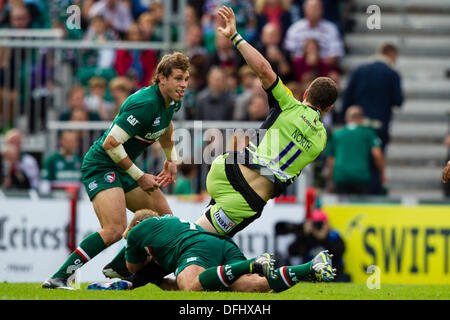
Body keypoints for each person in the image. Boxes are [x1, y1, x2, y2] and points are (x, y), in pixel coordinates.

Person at [42, 52, 191, 289]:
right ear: (161, 78)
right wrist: (140, 176)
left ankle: (118, 268)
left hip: (123, 164)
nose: (184, 85)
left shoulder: (172, 100)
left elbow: (165, 125)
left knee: (167, 222)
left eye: (186, 79)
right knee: (114, 229)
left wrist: (171, 159)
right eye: (178, 78)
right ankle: (59, 277)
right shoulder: (145, 103)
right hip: (101, 164)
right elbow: (110, 143)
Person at [194, 6, 338, 237]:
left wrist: (234, 36)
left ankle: (143, 263)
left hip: (227, 169)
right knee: (202, 241)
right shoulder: (321, 139)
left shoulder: (289, 104)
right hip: (250, 197)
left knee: (202, 235)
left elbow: (263, 68)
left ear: (306, 92)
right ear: (329, 108)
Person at [87, 209, 335, 292]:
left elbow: (132, 268)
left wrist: (130, 240)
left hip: (196, 248)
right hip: (219, 243)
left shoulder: (141, 229)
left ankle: (253, 263)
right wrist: (159, 280)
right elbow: (167, 280)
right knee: (256, 286)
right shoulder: (171, 227)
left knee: (191, 286)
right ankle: (310, 268)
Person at [340, 43, 403, 152]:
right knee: (376, 158)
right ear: (392, 55)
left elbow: (347, 96)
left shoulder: (359, 70)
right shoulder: (392, 74)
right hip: (379, 125)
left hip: (357, 122)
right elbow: (398, 100)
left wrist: (341, 120)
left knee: (358, 156)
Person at [277, 206, 350, 282]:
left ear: (327, 224)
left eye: (321, 224)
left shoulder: (333, 236)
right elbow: (292, 251)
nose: (318, 226)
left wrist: (324, 239)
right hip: (310, 275)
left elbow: (340, 252)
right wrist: (303, 235)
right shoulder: (307, 237)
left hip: (333, 274)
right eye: (316, 224)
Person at [325, 106, 385, 195]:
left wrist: (329, 179)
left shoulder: (337, 134)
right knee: (361, 207)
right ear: (361, 118)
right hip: (361, 176)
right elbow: (377, 154)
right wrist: (382, 174)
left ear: (346, 118)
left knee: (341, 207)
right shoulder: (368, 133)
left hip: (341, 176)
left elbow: (331, 159)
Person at [284, 0, 344, 67]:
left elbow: (335, 54)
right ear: (304, 10)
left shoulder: (331, 29)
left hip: (323, 68)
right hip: (300, 69)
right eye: (311, 8)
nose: (314, 11)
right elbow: (290, 54)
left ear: (322, 10)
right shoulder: (294, 29)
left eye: (317, 8)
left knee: (334, 75)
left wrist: (317, 63)